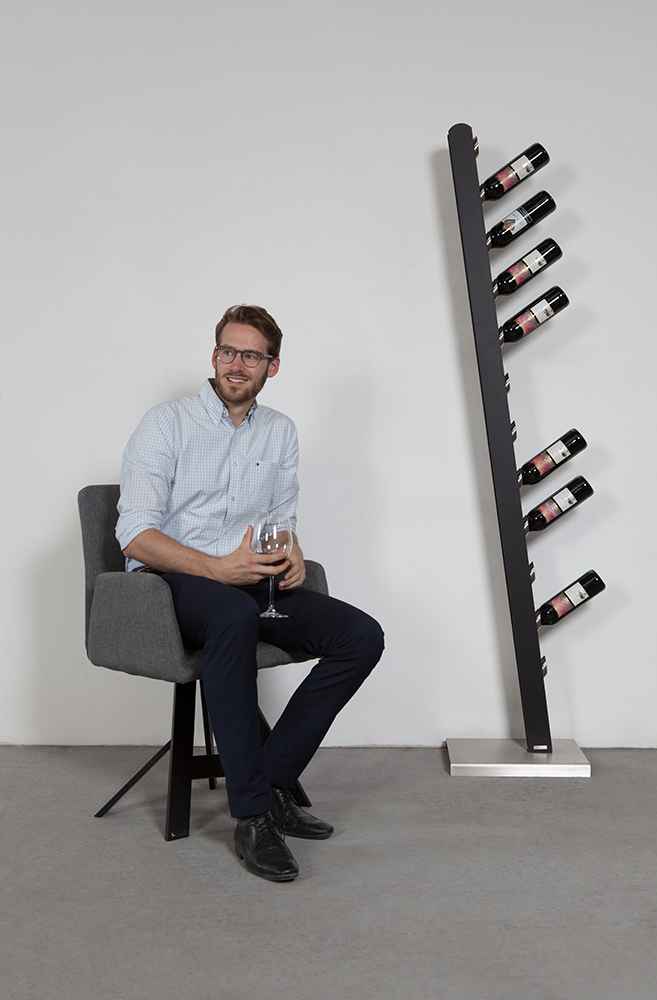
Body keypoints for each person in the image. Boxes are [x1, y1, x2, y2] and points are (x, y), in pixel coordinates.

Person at [115, 304, 385, 883]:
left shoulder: (280, 431)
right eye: (228, 352)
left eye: (252, 356)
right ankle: (254, 814)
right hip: (172, 581)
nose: (236, 365)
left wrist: (292, 549)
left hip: (251, 580)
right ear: (214, 356)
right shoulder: (166, 424)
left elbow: (280, 519)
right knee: (233, 616)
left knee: (360, 636)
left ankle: (272, 779)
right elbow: (134, 534)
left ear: (273, 366)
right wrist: (216, 569)